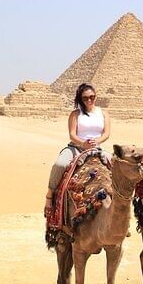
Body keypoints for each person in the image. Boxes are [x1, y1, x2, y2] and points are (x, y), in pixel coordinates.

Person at [44, 83, 111, 216]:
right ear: (80, 99)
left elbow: (106, 134)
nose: (89, 100)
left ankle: (120, 206)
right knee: (60, 164)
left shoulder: (104, 114)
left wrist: (97, 141)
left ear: (96, 96)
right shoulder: (75, 114)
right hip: (76, 147)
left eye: (92, 97)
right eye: (85, 98)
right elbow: (72, 135)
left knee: (118, 166)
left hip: (96, 149)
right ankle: (50, 194)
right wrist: (83, 143)